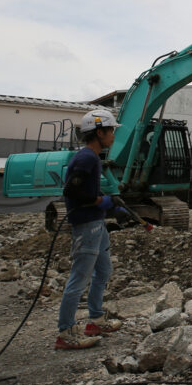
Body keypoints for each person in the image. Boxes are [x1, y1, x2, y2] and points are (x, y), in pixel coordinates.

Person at [55, 108, 125, 350]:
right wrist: (99, 201)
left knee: (104, 270)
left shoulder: (91, 157)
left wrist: (106, 201)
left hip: (96, 223)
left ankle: (95, 319)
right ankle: (66, 333)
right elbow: (72, 191)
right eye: (111, 131)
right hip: (86, 225)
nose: (114, 136)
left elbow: (85, 187)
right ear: (99, 132)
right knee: (79, 278)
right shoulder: (86, 158)